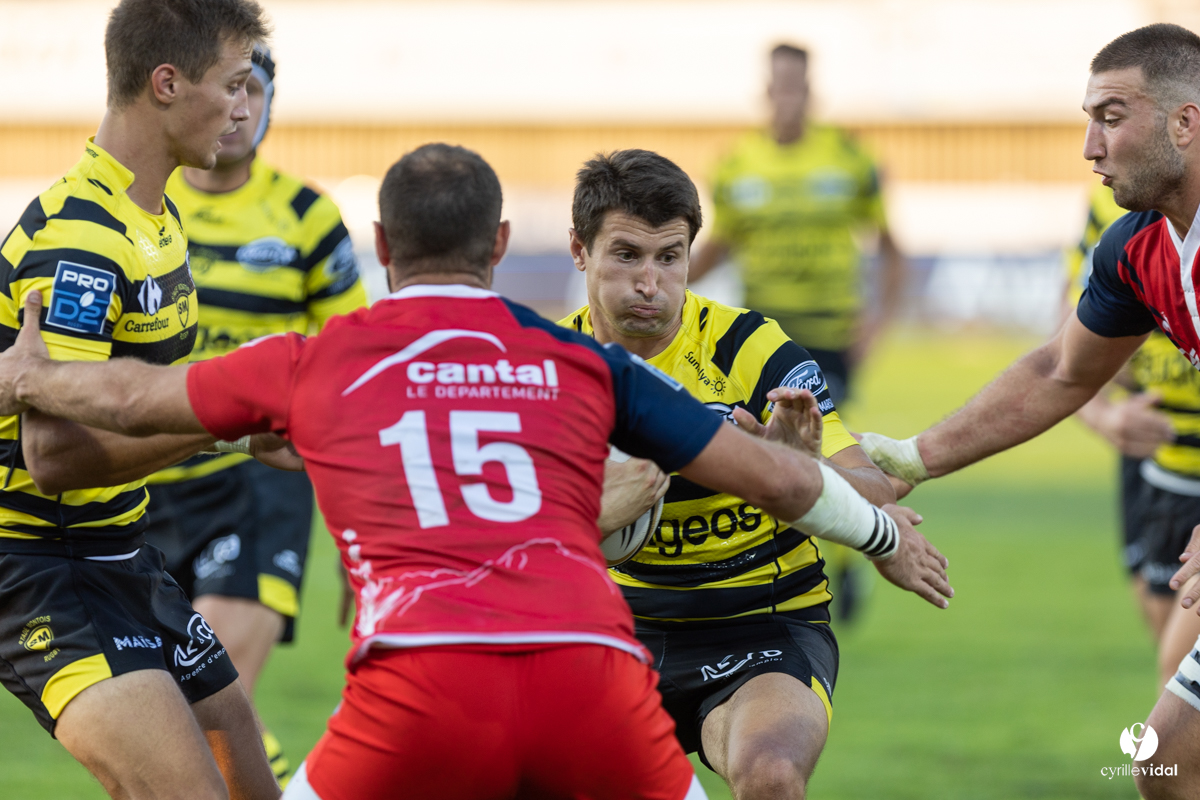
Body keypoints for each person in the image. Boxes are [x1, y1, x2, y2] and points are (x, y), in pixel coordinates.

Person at [0, 143, 953, 800]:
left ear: (378, 246)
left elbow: (132, 400)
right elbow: (787, 483)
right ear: (503, 247)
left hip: (422, 678)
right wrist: (880, 534)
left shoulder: (325, 358)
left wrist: (39, 373)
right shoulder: (579, 361)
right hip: (592, 669)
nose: (650, 280)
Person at [855, 24, 1200, 800]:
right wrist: (913, 457)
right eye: (1089, 118)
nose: (1089, 146)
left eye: (1112, 116)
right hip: (1171, 483)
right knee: (1168, 763)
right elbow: (1059, 370)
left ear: (1185, 122)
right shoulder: (1137, 249)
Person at [559, 149, 906, 800]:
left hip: (763, 621)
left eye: (670, 257)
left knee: (771, 775)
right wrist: (594, 510)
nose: (650, 283)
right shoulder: (551, 368)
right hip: (607, 630)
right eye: (626, 255)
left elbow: (874, 490)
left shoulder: (752, 350)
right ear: (580, 250)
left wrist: (796, 473)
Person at [0, 1, 283, 799]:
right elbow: (51, 457)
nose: (242, 107)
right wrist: (229, 422)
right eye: (232, 85)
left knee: (248, 786)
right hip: (39, 564)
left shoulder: (154, 216)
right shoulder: (80, 239)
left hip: (122, 551)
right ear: (166, 83)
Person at [143, 43, 368, 785]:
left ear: (272, 102)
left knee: (212, 684)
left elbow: (352, 366)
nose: (239, 109)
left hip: (260, 483)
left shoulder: (305, 216)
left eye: (254, 91)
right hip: (150, 479)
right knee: (166, 709)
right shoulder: (145, 213)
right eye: (225, 89)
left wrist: (360, 509)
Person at [688, 43, 908, 622]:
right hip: (761, 331)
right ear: (766, 92)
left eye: (798, 88)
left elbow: (890, 248)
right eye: (779, 88)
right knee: (764, 443)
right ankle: (775, 558)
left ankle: (853, 559)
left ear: (810, 91)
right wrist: (670, 284)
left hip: (829, 328)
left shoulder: (848, 158)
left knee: (825, 442)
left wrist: (878, 319)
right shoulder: (737, 165)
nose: (788, 99)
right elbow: (722, 242)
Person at [1068, 184, 1200, 688]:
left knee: (1179, 678)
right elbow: (1068, 349)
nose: (1093, 148)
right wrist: (1105, 417)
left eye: (1112, 117)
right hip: (1159, 464)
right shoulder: (1112, 212)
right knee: (1168, 648)